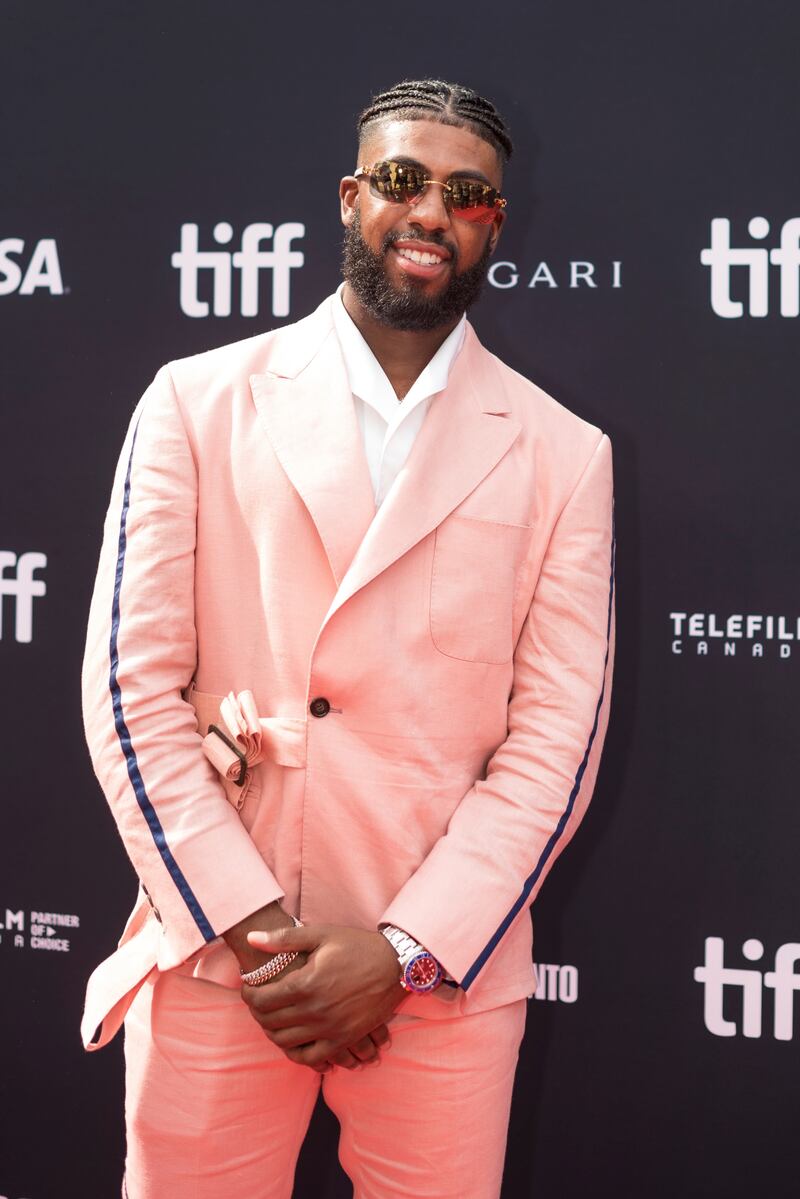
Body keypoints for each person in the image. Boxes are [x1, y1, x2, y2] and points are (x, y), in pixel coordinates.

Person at [81, 78, 615, 1199]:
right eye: (401, 180)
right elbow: (129, 697)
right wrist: (260, 932)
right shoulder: (193, 400)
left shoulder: (565, 454)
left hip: (441, 982)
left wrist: (403, 950)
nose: (430, 211)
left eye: (466, 194)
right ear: (347, 196)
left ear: (494, 226)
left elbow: (554, 748)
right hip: (222, 950)